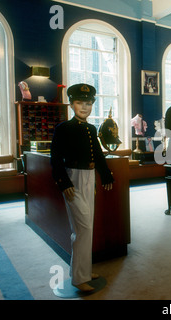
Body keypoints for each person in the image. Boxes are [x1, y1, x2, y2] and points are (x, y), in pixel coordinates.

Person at [50, 83, 114, 292]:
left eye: (88, 103)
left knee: (85, 228)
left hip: (89, 178)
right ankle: (79, 278)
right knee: (83, 226)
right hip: (73, 178)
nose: (84, 107)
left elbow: (97, 154)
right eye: (79, 102)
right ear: (71, 104)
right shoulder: (63, 128)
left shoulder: (91, 128)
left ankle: (83, 271)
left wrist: (105, 175)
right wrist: (63, 182)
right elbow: (56, 159)